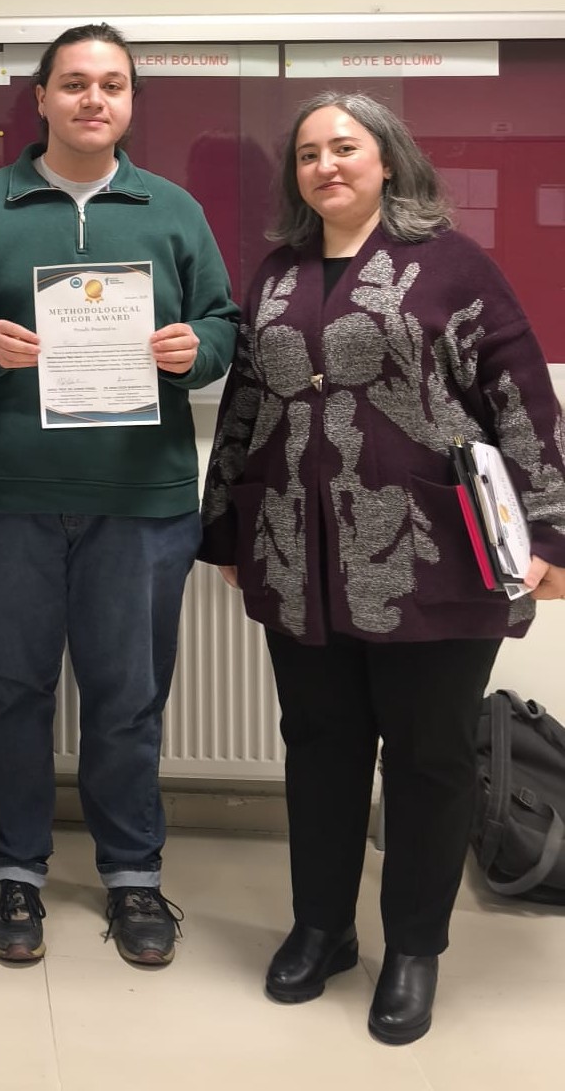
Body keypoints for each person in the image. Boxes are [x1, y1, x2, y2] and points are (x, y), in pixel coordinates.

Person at [199, 91, 565, 1044]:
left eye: (344, 147)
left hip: (434, 557)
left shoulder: (454, 265)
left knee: (429, 759)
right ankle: (322, 929)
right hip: (297, 554)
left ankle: (413, 948)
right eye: (307, 154)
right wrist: (225, 528)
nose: (325, 165)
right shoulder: (276, 274)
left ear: (389, 160)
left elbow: (522, 399)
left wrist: (552, 536)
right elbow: (246, 406)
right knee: (319, 748)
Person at [0, 22, 238, 967]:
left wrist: (197, 351)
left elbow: (224, 322)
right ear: (42, 99)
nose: (94, 99)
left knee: (129, 697)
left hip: (139, 498)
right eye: (74, 83)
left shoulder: (173, 210)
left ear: (130, 102)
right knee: (8, 692)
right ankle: (14, 869)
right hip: (2, 493)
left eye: (112, 84)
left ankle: (133, 874)